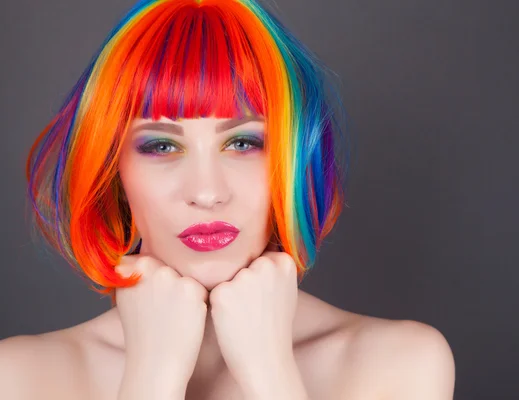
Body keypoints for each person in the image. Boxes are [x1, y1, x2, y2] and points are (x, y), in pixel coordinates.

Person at [0, 0, 455, 398]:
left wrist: (270, 374)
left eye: (242, 143)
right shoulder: (21, 378)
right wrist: (152, 378)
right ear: (111, 172)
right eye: (161, 146)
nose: (207, 192)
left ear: (294, 160)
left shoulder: (401, 363)